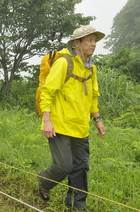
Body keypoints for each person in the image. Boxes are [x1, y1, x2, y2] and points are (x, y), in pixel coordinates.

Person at [37, 25, 106, 211]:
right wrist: (47, 120)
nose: (93, 44)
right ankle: (43, 181)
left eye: (95, 40)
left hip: (81, 128)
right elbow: (47, 92)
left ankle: (76, 207)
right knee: (64, 166)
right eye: (89, 40)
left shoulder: (91, 67)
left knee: (81, 169)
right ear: (77, 42)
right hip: (59, 126)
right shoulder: (64, 63)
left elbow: (92, 98)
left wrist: (97, 120)